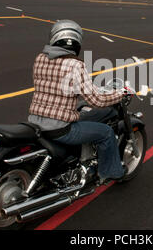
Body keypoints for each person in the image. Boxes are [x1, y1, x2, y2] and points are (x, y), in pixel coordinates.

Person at [28, 20, 127, 182]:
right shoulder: (75, 65)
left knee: (82, 113)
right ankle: (112, 172)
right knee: (106, 133)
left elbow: (56, 85)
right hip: (60, 128)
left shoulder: (40, 59)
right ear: (76, 41)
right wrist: (119, 94)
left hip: (36, 122)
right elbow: (97, 101)